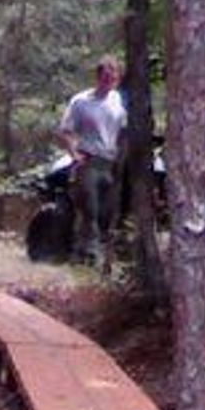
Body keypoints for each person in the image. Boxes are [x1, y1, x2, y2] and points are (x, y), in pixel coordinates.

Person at [56, 56, 127, 267]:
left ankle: (91, 255)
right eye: (105, 76)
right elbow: (64, 131)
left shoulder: (118, 101)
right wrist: (74, 154)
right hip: (89, 161)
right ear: (98, 77)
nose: (109, 80)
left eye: (113, 77)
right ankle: (90, 257)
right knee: (91, 210)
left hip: (111, 163)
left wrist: (122, 158)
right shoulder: (81, 102)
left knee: (107, 213)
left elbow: (124, 131)